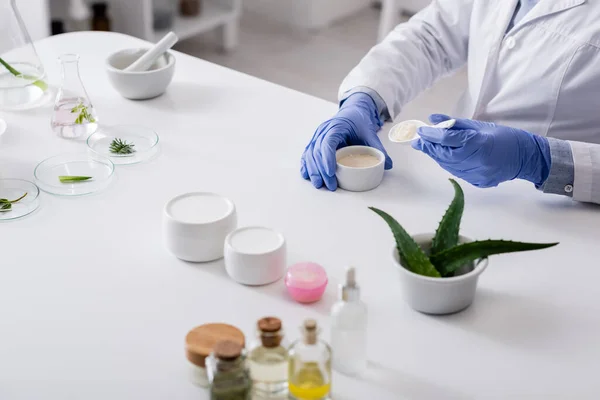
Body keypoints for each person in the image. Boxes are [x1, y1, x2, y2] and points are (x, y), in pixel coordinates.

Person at [300, 0, 600, 204]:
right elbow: (432, 36)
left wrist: (541, 160)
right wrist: (364, 98)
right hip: (452, 190)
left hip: (561, 212)